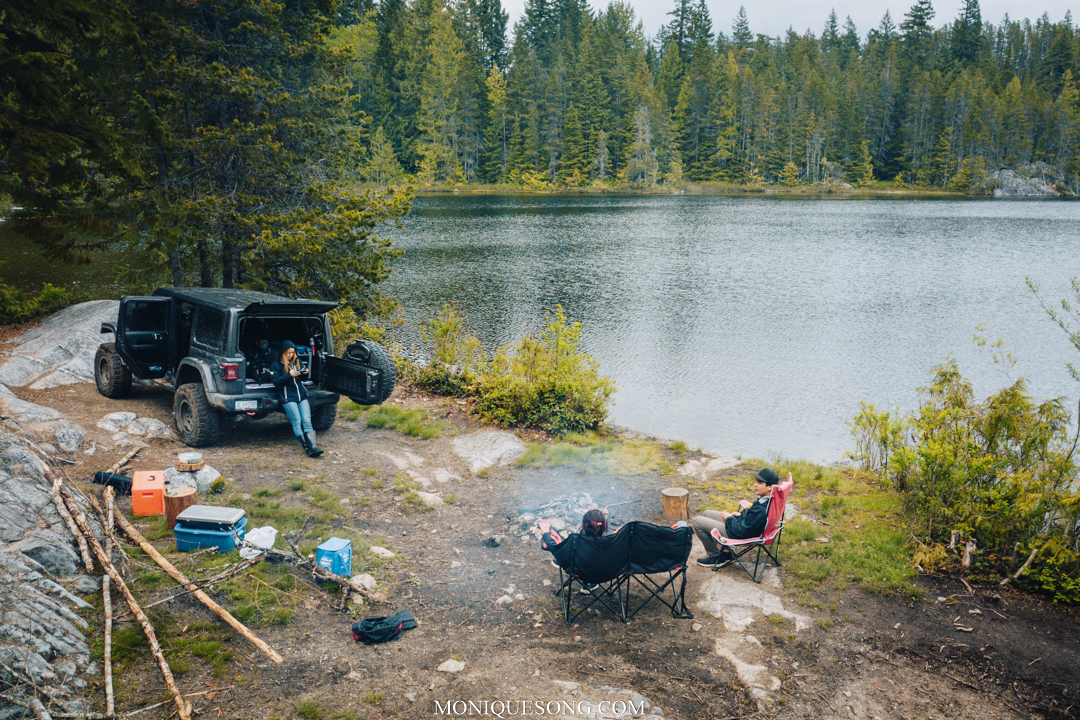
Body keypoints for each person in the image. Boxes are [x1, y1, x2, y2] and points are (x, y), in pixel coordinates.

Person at [692, 468, 780, 568]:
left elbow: (741, 531)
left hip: (738, 534)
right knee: (707, 513)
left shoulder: (761, 509)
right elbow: (752, 517)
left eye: (759, 482)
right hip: (742, 525)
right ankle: (725, 553)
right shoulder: (767, 500)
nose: (755, 484)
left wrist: (729, 518)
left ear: (770, 487)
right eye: (756, 481)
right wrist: (740, 515)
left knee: (696, 522)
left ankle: (716, 557)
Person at [271, 340, 322, 458]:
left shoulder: (297, 362)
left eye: (292, 353)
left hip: (301, 395)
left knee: (307, 420)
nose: (290, 355)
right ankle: (307, 447)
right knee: (297, 421)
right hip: (288, 397)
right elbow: (276, 382)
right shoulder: (276, 365)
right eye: (288, 353)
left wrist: (304, 373)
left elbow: (303, 379)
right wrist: (289, 374)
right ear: (283, 353)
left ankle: (312, 448)